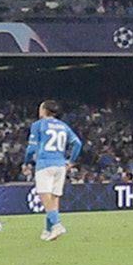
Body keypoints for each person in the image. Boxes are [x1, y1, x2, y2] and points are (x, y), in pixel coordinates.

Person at [25, 100, 82, 239]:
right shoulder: (63, 126)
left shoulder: (38, 125)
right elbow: (77, 143)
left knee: (45, 196)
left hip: (45, 163)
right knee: (54, 198)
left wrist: (26, 162)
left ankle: (57, 225)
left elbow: (31, 148)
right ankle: (49, 230)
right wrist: (71, 161)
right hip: (60, 164)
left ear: (44, 110)